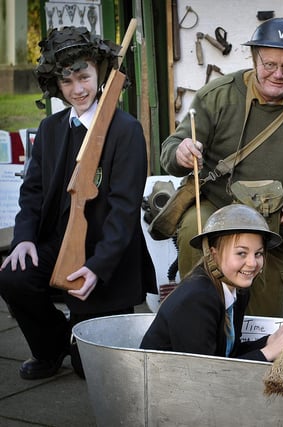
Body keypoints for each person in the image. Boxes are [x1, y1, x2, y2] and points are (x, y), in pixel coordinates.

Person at [0, 26, 156, 380]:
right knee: (13, 277)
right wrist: (24, 237)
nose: (78, 89)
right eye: (67, 81)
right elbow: (33, 191)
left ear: (99, 71)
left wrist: (99, 266)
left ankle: (78, 337)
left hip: (107, 256)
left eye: (84, 76)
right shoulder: (52, 128)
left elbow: (124, 212)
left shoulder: (125, 130)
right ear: (57, 84)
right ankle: (51, 345)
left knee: (90, 371)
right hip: (58, 243)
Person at [159, 17, 283, 317]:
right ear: (254, 58)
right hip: (216, 211)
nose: (278, 74)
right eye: (269, 64)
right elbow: (170, 150)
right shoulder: (218, 96)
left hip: (272, 223)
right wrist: (181, 152)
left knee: (262, 324)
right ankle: (196, 322)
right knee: (193, 229)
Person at [141, 204, 283, 365]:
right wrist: (269, 352)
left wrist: (270, 341)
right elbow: (207, 374)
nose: (252, 263)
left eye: (258, 254)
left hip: (208, 382)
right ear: (212, 253)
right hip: (170, 389)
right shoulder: (197, 298)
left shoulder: (238, 291)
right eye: (241, 253)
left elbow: (229, 353)